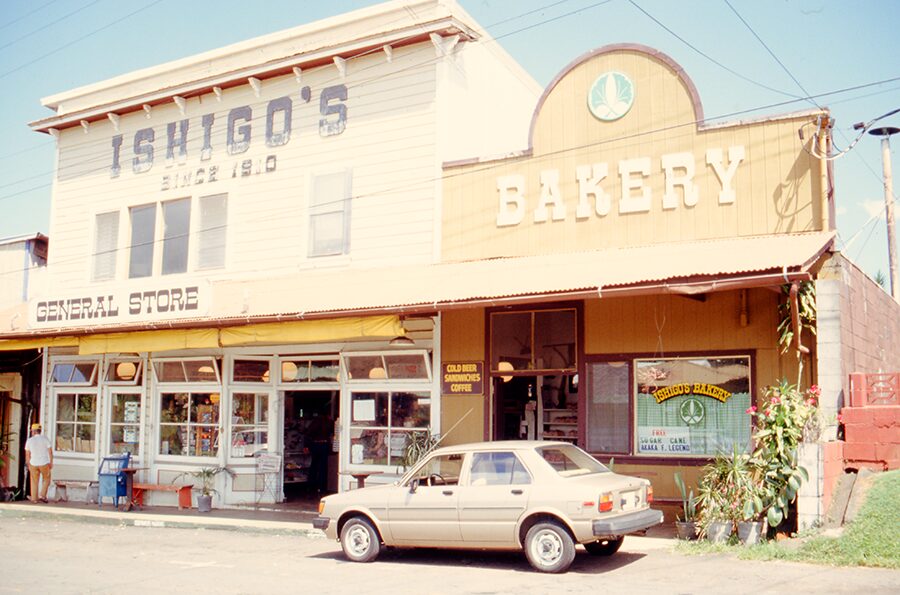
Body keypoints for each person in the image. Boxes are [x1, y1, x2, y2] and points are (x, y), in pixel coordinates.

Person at [24, 423, 53, 503]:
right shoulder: (45, 439)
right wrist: (51, 462)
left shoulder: (29, 440)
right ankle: (42, 495)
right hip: (44, 462)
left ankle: (34, 499)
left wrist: (28, 463)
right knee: (46, 479)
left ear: (33, 431)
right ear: (40, 431)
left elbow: (27, 454)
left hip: (33, 462)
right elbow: (50, 452)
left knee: (34, 481)